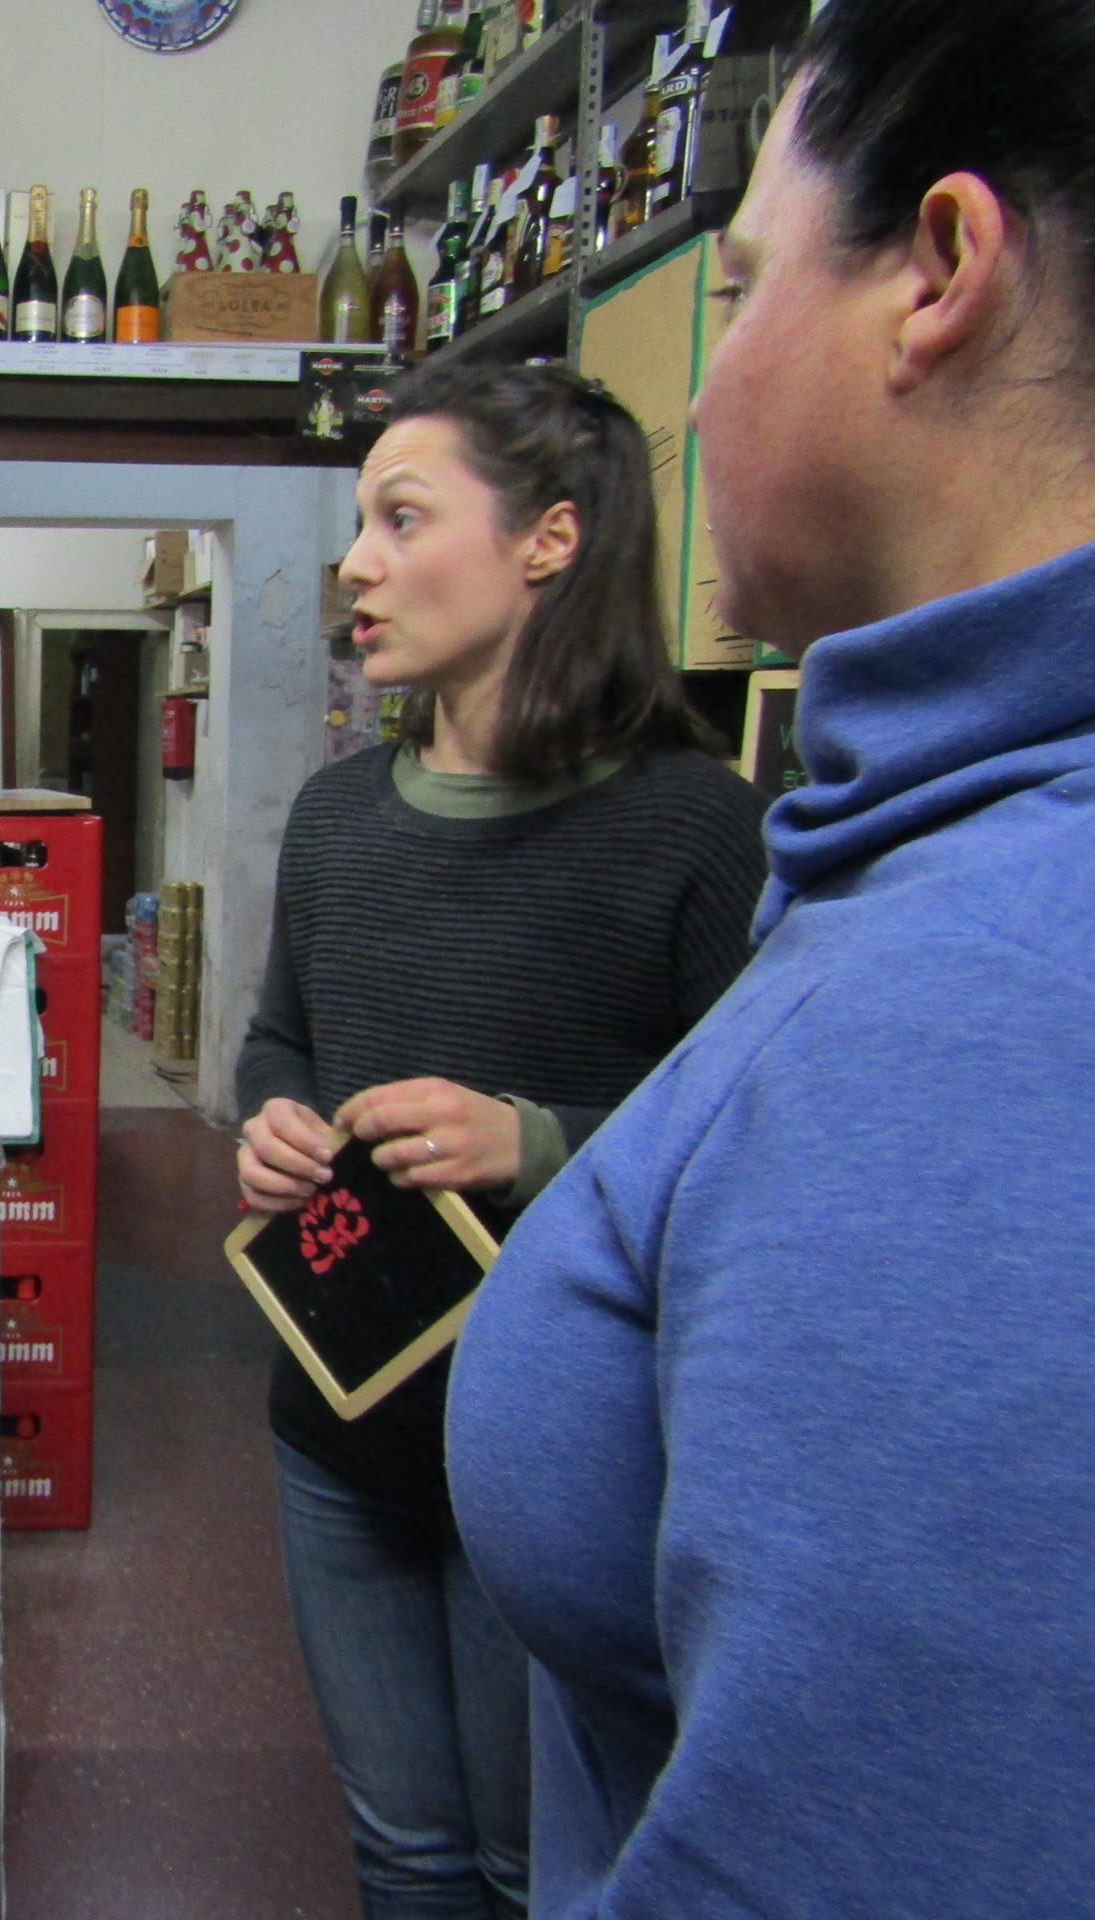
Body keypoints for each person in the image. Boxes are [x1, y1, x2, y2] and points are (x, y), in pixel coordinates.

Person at [447, 4, 1095, 1912]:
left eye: (737, 289)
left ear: (941, 273)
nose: (702, 399)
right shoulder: (922, 845)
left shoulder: (993, 996)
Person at [234, 359, 768, 1920]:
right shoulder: (337, 819)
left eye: (403, 518)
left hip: (557, 1447)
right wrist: (268, 1120)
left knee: (541, 1865)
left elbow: (753, 1161)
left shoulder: (694, 829)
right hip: (331, 1430)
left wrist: (533, 1142)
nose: (357, 563)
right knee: (401, 1849)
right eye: (356, 525)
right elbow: (286, 1037)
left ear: (549, 538)